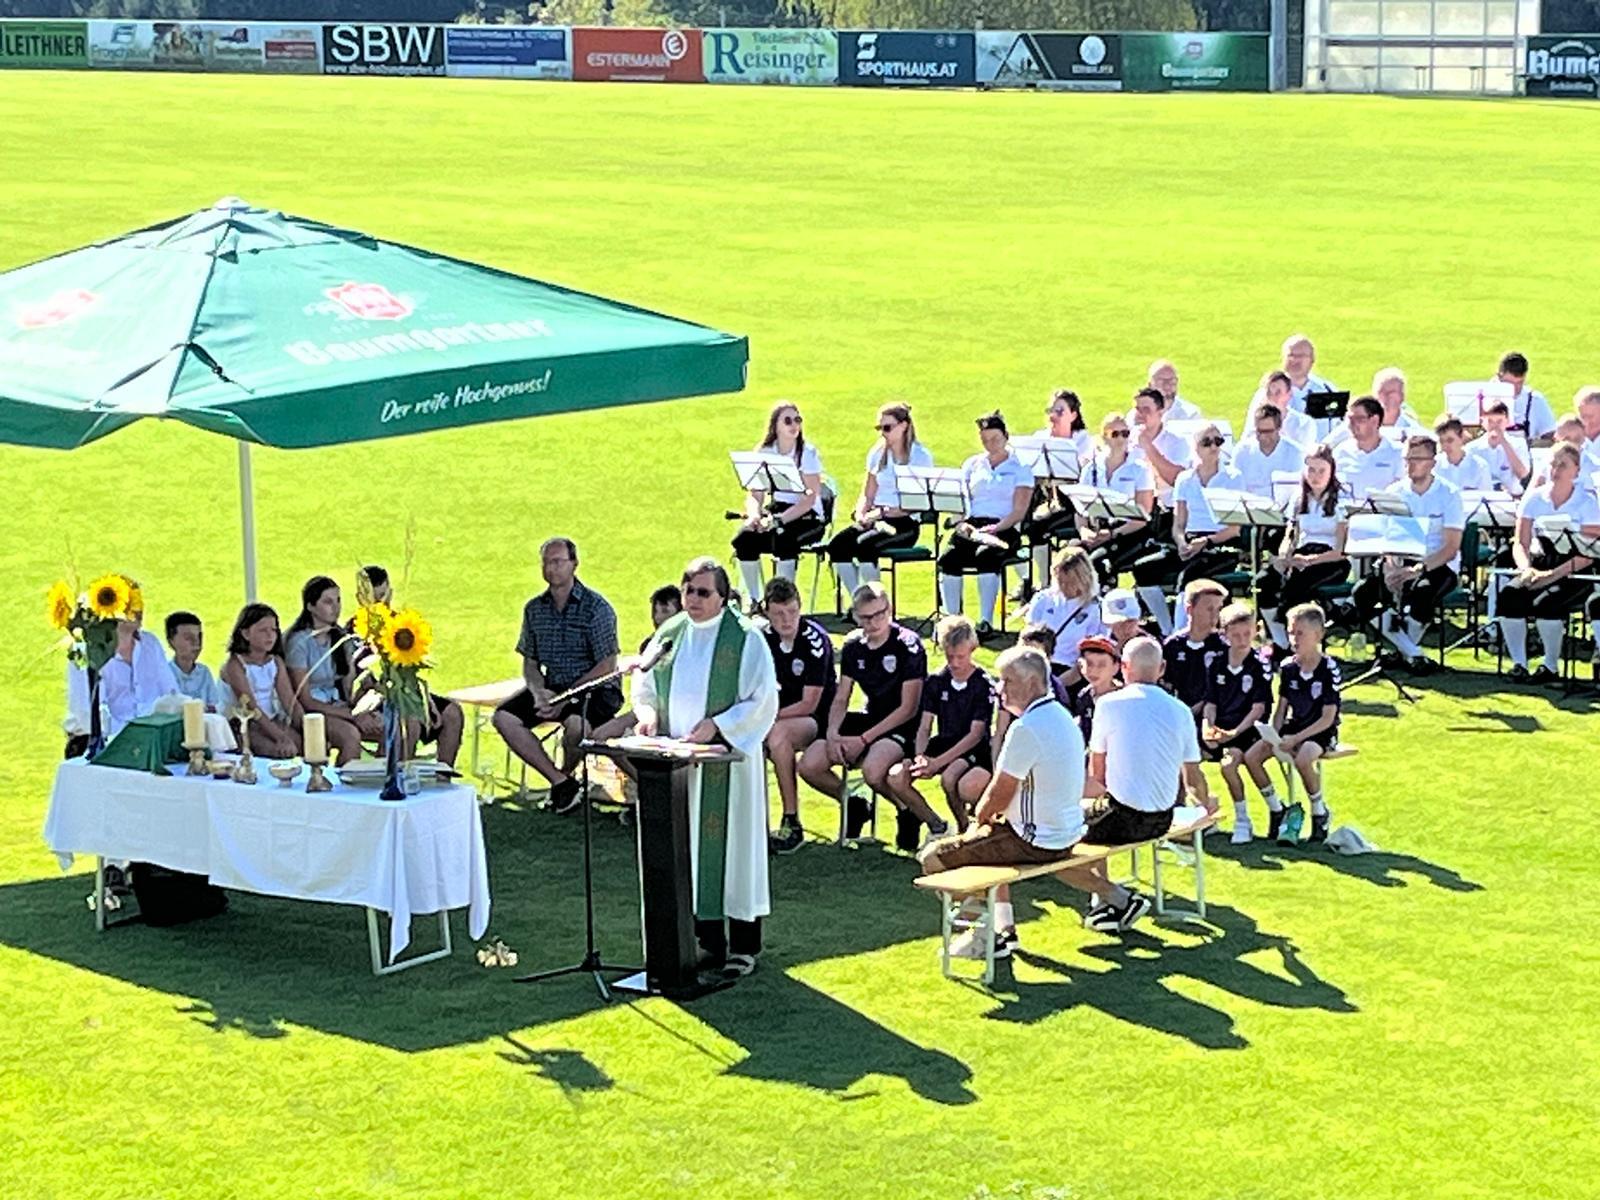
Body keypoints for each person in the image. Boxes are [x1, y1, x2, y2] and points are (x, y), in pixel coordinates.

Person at [632, 557, 778, 979]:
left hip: (727, 769)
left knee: (734, 855)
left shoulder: (745, 639)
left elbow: (763, 699)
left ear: (723, 596)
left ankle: (743, 945)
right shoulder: (671, 634)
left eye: (703, 592)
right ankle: (706, 941)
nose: (693, 600)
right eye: (688, 591)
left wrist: (718, 725)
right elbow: (644, 683)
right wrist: (647, 715)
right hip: (678, 767)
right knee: (690, 854)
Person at [916, 646, 1085, 958]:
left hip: (1036, 840)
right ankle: (1004, 931)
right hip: (1065, 831)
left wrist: (977, 823)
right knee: (987, 848)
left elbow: (999, 793)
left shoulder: (1027, 728)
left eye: (1007, 681)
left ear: (1032, 684)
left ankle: (986, 934)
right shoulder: (1061, 716)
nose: (999, 688)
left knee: (933, 858)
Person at [1081, 636, 1211, 929]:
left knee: (1072, 826)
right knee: (1093, 812)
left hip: (1121, 818)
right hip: (1162, 819)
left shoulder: (1108, 705)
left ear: (1123, 667)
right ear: (1161, 668)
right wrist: (1207, 806)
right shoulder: (1181, 711)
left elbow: (1097, 775)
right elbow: (1193, 778)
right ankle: (1106, 902)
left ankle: (1108, 900)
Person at [493, 538, 621, 814]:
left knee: (576, 726)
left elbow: (607, 665)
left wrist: (565, 697)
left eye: (557, 562)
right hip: (553, 686)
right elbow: (530, 662)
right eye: (546, 563)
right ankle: (560, 781)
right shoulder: (534, 609)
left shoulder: (596, 608)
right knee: (504, 717)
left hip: (596, 688)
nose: (551, 568)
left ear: (574, 564)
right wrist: (538, 692)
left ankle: (564, 780)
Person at [799, 582, 926, 838]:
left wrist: (863, 740)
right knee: (809, 764)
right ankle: (853, 803)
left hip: (904, 725)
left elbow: (908, 708)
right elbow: (841, 697)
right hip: (871, 718)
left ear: (890, 609)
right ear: (856, 616)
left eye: (880, 614)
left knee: (873, 771)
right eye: (866, 618)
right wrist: (833, 733)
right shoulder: (853, 645)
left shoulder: (908, 645)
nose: (874, 623)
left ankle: (908, 811)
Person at [1350, 434, 1466, 673]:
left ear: (1432, 462)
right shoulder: (1394, 492)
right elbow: (1388, 537)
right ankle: (1412, 653)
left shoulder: (1449, 494)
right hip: (1400, 559)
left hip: (1438, 563)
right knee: (1362, 592)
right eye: (1407, 459)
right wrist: (1391, 568)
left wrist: (1417, 571)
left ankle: (1403, 653)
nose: (1410, 465)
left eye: (1417, 459)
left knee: (1422, 592)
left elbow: (1450, 547)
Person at [1496, 441, 1600, 682]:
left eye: (1563, 465)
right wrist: (1525, 569)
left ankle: (1550, 665)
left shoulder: (1587, 503)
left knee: (1548, 602)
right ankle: (1519, 664)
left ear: (1576, 470)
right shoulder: (1534, 498)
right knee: (1511, 594)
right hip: (1540, 562)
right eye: (1553, 464)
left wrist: (1551, 576)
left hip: (1575, 570)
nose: (1556, 470)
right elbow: (1520, 542)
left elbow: (1589, 553)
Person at [1242, 603, 1341, 844]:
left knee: (1304, 758)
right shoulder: (1288, 667)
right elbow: (1282, 708)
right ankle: (1276, 809)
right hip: (1294, 726)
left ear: (1318, 635)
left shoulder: (1328, 668)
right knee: (1252, 756)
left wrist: (1296, 739)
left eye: (1300, 634)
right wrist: (1273, 734)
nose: (1294, 639)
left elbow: (1328, 717)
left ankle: (1319, 812)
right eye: (1290, 633)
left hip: (1320, 730)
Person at [1131, 422, 1241, 634]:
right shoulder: (1185, 479)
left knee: (1188, 576)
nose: (1214, 447)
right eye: (1207, 442)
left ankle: (1182, 633)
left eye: (1218, 441)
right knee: (1143, 569)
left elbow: (1234, 529)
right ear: (1195, 447)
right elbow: (1179, 523)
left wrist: (1206, 542)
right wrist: (1181, 542)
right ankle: (1167, 629)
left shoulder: (1233, 477)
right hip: (1190, 541)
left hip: (1220, 543)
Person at [886, 615, 987, 844]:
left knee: (949, 779)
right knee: (897, 777)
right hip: (944, 741)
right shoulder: (936, 681)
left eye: (960, 656)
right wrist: (921, 757)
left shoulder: (982, 683)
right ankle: (937, 825)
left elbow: (975, 734)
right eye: (950, 656)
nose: (955, 663)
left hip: (972, 747)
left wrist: (937, 763)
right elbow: (925, 726)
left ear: (972, 648)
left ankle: (964, 830)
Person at [937, 412, 1033, 635]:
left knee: (986, 556)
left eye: (995, 439)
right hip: (972, 525)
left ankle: (985, 621)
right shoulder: (972, 464)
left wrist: (997, 528)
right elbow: (961, 501)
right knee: (949, 558)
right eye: (985, 440)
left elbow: (1019, 510)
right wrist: (961, 523)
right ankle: (953, 621)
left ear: (1006, 436)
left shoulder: (1021, 467)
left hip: (1004, 526)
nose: (990, 444)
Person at [762, 576, 837, 854]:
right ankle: (751, 822)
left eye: (792, 611)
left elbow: (809, 703)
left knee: (778, 736)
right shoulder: (762, 639)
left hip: (816, 719)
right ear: (766, 612)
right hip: (775, 716)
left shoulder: (814, 640)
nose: (786, 620)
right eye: (778, 614)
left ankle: (791, 820)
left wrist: (767, 717)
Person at [827, 401, 933, 599]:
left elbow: (916, 503)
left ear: (904, 426)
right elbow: (868, 493)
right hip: (876, 518)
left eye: (887, 427)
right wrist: (861, 514)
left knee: (866, 547)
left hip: (904, 523)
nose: (883, 433)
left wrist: (882, 512)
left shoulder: (920, 456)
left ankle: (876, 602)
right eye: (880, 428)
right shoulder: (877, 453)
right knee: (837, 546)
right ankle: (857, 600)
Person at [731, 400, 827, 606]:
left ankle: (783, 602)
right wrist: (754, 515)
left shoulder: (807, 453)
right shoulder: (764, 452)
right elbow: (755, 493)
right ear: (775, 426)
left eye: (797, 420)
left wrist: (778, 521)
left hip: (807, 516)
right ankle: (756, 601)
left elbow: (810, 498)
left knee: (784, 540)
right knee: (744, 539)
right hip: (778, 508)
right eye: (788, 421)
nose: (794, 425)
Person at [1257, 444, 1350, 650]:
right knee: (1264, 580)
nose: (1315, 476)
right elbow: (1291, 534)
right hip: (1303, 554)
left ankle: (1295, 638)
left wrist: (1310, 561)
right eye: (1311, 470)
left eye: (1321, 471)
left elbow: (1341, 551)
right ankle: (1280, 639)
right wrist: (1285, 555)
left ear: (1331, 471)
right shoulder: (1299, 498)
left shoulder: (1341, 500)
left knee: (1297, 585)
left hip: (1330, 560)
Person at [284, 576, 372, 766]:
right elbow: (305, 700)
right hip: (310, 712)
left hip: (337, 704)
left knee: (389, 727)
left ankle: (380, 777)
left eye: (338, 600)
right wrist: (351, 715)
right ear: (311, 606)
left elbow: (350, 685)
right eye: (328, 602)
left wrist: (365, 708)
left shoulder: (341, 638)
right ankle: (341, 781)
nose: (336, 607)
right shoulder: (299, 643)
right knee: (350, 736)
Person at [1202, 603, 1271, 843]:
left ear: (1255, 631)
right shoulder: (1217, 663)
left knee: (1228, 766)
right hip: (1221, 729)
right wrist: (1207, 727)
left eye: (1246, 633)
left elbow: (1258, 708)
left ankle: (1242, 820)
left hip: (1247, 731)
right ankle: (1198, 815)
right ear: (1225, 634)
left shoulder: (1259, 664)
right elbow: (1210, 702)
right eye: (1235, 635)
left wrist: (1234, 732)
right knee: (1185, 757)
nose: (1242, 640)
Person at [1020, 389, 1095, 592]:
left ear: (1073, 415)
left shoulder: (1083, 441)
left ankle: (1046, 584)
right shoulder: (1040, 439)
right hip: (1049, 500)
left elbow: (1080, 474)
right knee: (1026, 523)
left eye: (1060, 411)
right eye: (1050, 411)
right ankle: (1033, 580)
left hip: (1075, 505)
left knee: (1039, 526)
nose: (1053, 416)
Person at [1076, 411, 1156, 585]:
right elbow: (1080, 509)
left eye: (1125, 434)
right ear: (1104, 437)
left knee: (1097, 562)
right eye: (1115, 434)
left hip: (1128, 532)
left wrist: (1112, 534)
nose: (1121, 439)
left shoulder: (1139, 469)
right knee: (1071, 557)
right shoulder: (1091, 469)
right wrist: (1084, 531)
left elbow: (1143, 516)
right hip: (1098, 529)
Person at [219, 603, 303, 759]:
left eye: (274, 630)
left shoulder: (275, 662)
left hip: (270, 720)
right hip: (243, 724)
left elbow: (289, 701)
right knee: (278, 750)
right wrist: (280, 737)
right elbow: (251, 707)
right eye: (263, 631)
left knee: (305, 744)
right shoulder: (235, 665)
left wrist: (307, 728)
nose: (270, 635)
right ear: (246, 634)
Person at [1022, 545, 1106, 685]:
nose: (1064, 587)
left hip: (1072, 672)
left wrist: (1060, 683)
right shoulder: (1043, 599)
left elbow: (1093, 653)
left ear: (1084, 579)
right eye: (1060, 581)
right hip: (1039, 667)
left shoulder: (1097, 608)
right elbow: (1026, 638)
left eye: (1071, 583)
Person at [100, 611, 176, 739]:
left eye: (139, 605)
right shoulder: (98, 654)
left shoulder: (150, 643)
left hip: (156, 734)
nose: (138, 611)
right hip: (117, 738)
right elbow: (97, 710)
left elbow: (171, 691)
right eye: (130, 606)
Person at [1161, 578, 1227, 722]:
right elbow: (1165, 684)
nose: (1215, 615)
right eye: (1209, 609)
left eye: (1218, 609)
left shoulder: (1224, 647)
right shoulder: (1173, 646)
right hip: (1179, 717)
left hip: (1216, 718)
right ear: (1190, 609)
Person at [1129, 385, 1191, 507]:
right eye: (1138, 409)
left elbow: (1176, 480)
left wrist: (1148, 447)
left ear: (1161, 412)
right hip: (1133, 505)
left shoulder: (1177, 442)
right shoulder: (1127, 438)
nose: (1140, 414)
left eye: (1146, 410)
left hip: (1167, 508)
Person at [1333, 396, 1405, 500]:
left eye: (1359, 419)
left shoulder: (1398, 453)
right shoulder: (1340, 452)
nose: (1352, 424)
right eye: (1350, 419)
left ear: (1375, 420)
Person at [1232, 402, 1304, 499]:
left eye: (1267, 432)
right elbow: (1235, 486)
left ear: (1279, 428)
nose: (1262, 436)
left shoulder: (1295, 454)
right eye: (1259, 431)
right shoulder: (1242, 451)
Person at [1466, 399, 1530, 495]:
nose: (1495, 426)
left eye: (1499, 421)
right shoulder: (1472, 448)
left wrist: (1504, 442)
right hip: (1484, 496)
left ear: (1507, 421)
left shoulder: (1519, 444)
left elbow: (1523, 474)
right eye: (1490, 421)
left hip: (1512, 495)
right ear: (1483, 422)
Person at [165, 611, 226, 710]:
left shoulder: (204, 672)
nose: (196, 643)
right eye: (188, 638)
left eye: (199, 637)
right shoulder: (165, 674)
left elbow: (214, 706)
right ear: (171, 641)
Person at [1069, 634, 1121, 744]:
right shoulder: (1084, 696)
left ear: (1116, 667)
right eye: (1089, 664)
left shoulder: (1123, 697)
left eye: (1102, 665)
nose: (1094, 670)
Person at [1246, 370, 1318, 449]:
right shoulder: (1255, 422)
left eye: (1278, 392)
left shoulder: (1303, 424)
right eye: (1269, 393)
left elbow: (1304, 453)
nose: (1273, 397)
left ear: (1289, 395)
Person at [1497, 351, 1556, 445]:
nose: (1514, 389)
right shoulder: (1483, 398)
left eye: (1519, 383)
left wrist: (1529, 444)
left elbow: (1551, 438)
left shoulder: (1535, 400)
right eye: (1509, 384)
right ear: (1499, 377)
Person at [1433, 415, 1493, 492]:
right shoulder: (1434, 466)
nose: (1445, 446)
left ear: (1461, 437)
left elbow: (1487, 496)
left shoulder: (1480, 466)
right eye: (1442, 441)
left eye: (1450, 440)